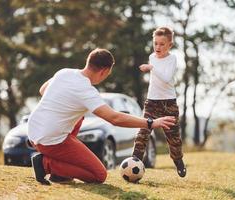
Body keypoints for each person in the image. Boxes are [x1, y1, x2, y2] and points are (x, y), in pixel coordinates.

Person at [27, 48, 176, 185]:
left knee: (79, 116)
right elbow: (114, 118)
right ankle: (45, 164)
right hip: (49, 140)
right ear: (104, 71)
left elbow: (42, 90)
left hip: (33, 130)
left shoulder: (64, 72)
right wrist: (151, 123)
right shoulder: (86, 91)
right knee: (98, 175)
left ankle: (60, 174)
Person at [132, 27, 186, 177]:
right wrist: (152, 66)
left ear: (170, 45)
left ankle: (178, 161)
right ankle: (135, 160)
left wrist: (151, 68)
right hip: (152, 101)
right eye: (155, 43)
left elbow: (167, 78)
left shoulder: (172, 59)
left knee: (173, 137)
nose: (158, 47)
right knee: (143, 130)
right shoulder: (152, 57)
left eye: (162, 44)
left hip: (169, 102)